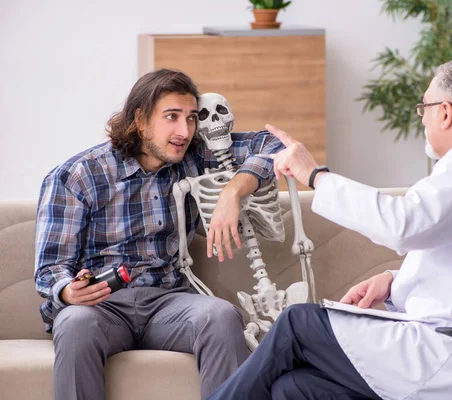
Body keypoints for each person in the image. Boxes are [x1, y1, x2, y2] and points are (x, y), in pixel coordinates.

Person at [207, 55, 452, 400]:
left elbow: (404, 223)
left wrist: (314, 175)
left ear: (444, 112)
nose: (423, 119)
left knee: (297, 325)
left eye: (424, 108)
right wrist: (394, 281)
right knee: (294, 389)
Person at [34, 68, 283, 400]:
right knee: (76, 324)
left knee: (220, 315)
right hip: (101, 308)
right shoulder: (78, 176)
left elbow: (274, 145)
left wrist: (234, 190)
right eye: (172, 117)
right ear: (140, 120)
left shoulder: (193, 158)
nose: (185, 131)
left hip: (168, 303)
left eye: (192, 118)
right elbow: (51, 268)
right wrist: (68, 292)